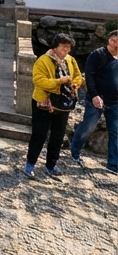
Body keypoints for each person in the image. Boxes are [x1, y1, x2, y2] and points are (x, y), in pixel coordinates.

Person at [25, 33, 83, 179]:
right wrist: (58, 82)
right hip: (44, 102)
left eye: (68, 48)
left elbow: (77, 76)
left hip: (63, 102)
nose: (66, 51)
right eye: (64, 47)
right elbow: (38, 80)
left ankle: (51, 164)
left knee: (58, 135)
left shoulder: (70, 60)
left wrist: (75, 84)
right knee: (39, 134)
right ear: (55, 47)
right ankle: (30, 164)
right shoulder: (43, 61)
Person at [70, 28, 118, 175]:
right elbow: (89, 76)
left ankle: (113, 164)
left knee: (115, 132)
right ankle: (75, 151)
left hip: (115, 101)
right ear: (108, 41)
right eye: (113, 41)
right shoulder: (98, 55)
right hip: (96, 98)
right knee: (88, 127)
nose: (116, 44)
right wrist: (95, 95)